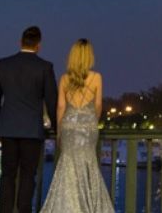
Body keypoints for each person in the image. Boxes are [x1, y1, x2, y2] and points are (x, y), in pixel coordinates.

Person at [39, 39, 114, 213]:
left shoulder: (65, 79)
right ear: (89, 56)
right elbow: (98, 106)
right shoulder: (96, 78)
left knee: (69, 166)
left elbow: (60, 107)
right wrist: (90, 121)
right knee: (88, 165)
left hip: (69, 127)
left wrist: (59, 132)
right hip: (88, 127)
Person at [0, 26, 58, 213]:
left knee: (7, 175)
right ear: (38, 45)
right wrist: (56, 128)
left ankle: (5, 210)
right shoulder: (45, 67)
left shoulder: (3, 64)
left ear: (20, 42)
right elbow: (52, 101)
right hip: (32, 131)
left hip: (8, 128)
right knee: (28, 175)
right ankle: (24, 210)